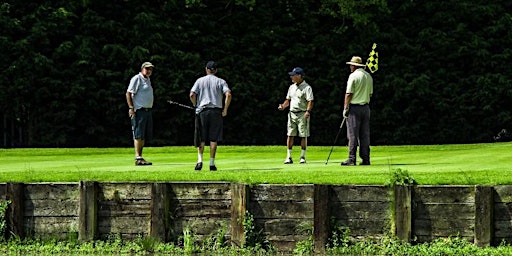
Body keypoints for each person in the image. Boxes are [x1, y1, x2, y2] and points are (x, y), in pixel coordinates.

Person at [190, 61, 232, 171]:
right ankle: (212, 163)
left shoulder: (200, 81)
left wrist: (195, 105)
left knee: (201, 137)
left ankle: (199, 161)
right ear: (216, 70)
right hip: (216, 111)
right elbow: (228, 94)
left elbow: (192, 94)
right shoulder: (221, 81)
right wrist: (225, 108)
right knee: (214, 138)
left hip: (202, 111)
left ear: (206, 69)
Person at [278, 67, 314, 164]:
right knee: (290, 134)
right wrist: (283, 106)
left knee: (303, 135)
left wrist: (308, 111)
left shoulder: (307, 87)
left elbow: (310, 101)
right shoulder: (291, 87)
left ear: (299, 76)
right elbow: (288, 100)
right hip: (292, 113)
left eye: (293, 75)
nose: (291, 77)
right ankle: (288, 157)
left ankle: (302, 157)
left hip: (303, 113)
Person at [341, 56, 373, 166]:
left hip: (354, 108)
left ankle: (351, 158)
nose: (350, 67)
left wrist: (345, 108)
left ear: (354, 65)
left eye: (351, 65)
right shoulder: (368, 76)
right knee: (364, 135)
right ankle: (366, 159)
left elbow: (349, 93)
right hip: (366, 107)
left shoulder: (353, 76)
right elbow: (370, 94)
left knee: (352, 134)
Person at [126, 61, 154, 166]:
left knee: (143, 135)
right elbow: (128, 93)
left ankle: (140, 157)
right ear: (142, 69)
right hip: (139, 110)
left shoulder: (147, 80)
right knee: (138, 134)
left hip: (147, 110)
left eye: (150, 69)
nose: (149, 71)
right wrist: (131, 108)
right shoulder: (137, 79)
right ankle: (138, 157)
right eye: (147, 69)